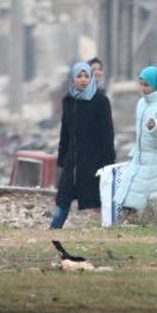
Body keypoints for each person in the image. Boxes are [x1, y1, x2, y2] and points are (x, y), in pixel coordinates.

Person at [52, 61, 116, 229]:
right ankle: (53, 229)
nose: (83, 80)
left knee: (99, 198)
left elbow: (107, 134)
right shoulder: (69, 100)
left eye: (86, 76)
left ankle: (108, 228)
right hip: (72, 161)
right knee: (63, 198)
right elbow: (65, 132)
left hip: (94, 161)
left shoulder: (100, 101)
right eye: (79, 76)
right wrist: (62, 159)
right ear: (73, 78)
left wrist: (108, 162)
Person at [117, 66, 157, 219]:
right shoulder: (142, 104)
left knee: (154, 198)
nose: (143, 88)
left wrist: (156, 126)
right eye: (141, 84)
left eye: (147, 85)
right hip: (141, 158)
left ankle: (154, 222)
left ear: (156, 84)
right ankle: (131, 221)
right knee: (131, 193)